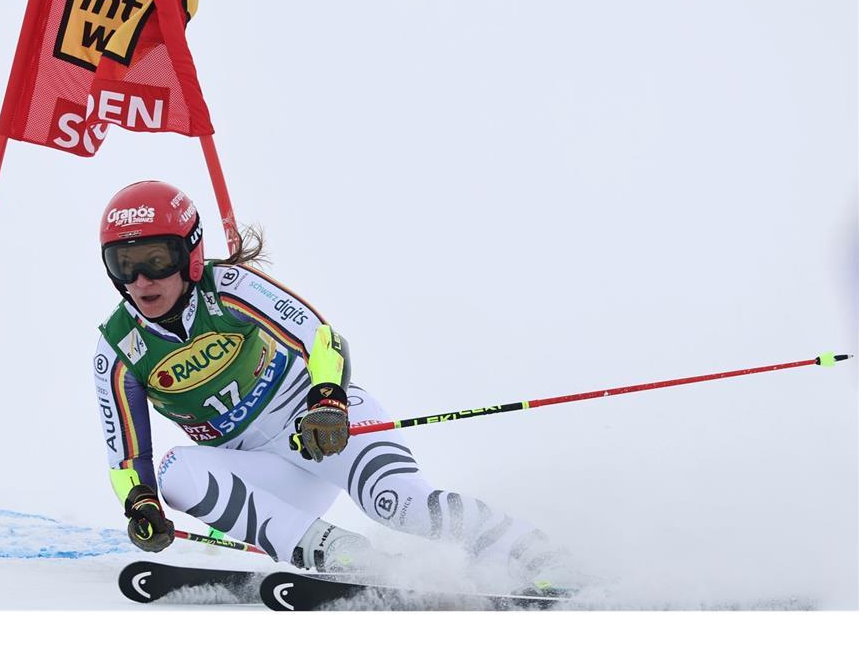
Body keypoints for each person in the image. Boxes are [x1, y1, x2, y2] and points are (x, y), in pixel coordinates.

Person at [93, 180, 579, 595]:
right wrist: (141, 503)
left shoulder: (232, 287)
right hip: (263, 472)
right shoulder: (118, 349)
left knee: (398, 503)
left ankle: (537, 554)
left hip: (322, 432)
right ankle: (339, 554)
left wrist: (327, 399)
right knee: (176, 471)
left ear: (189, 254)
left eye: (156, 260)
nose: (140, 280)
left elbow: (322, 338)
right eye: (123, 264)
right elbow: (126, 457)